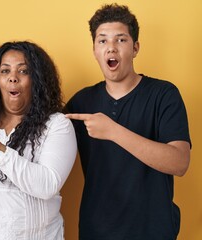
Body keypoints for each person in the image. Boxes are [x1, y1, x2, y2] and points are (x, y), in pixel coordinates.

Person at [65, 3, 191, 240]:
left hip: (153, 231)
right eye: (102, 41)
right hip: (96, 231)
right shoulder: (81, 102)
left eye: (121, 40)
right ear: (94, 50)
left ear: (135, 48)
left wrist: (113, 131)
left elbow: (180, 162)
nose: (111, 47)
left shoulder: (164, 94)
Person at [0, 41, 77, 240]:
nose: (13, 78)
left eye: (23, 71)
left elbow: (47, 185)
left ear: (37, 80)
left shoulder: (56, 125)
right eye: (5, 71)